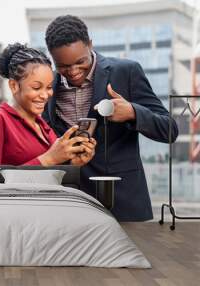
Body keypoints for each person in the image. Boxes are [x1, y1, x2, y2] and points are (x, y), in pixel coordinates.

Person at [42, 15, 179, 221]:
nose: (73, 72)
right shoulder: (48, 86)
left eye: (80, 62)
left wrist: (132, 112)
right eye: (63, 66)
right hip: (71, 203)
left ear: (90, 45)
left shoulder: (126, 72)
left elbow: (169, 129)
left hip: (122, 200)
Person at [0, 43, 97, 167]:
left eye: (49, 87)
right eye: (36, 87)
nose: (45, 95)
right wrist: (50, 159)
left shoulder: (44, 127)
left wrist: (74, 164)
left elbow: (50, 178)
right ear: (14, 86)